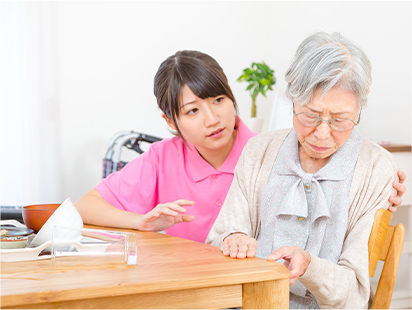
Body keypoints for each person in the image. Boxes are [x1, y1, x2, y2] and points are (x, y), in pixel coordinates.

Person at [75, 50, 406, 245]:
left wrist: (377, 181)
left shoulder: (271, 151)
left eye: (219, 100)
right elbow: (84, 207)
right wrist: (141, 222)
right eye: (192, 110)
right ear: (170, 121)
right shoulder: (161, 159)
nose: (212, 118)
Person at [205, 32, 406, 309]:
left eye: (340, 119)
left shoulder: (375, 169)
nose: (322, 133)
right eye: (310, 115)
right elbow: (219, 241)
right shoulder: (259, 151)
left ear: (361, 104)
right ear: (292, 96)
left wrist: (310, 267)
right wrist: (232, 239)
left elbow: (353, 297)